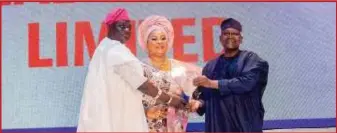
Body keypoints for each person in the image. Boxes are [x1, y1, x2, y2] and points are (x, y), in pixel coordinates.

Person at [76, 8, 186, 132]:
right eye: (122, 26)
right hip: (118, 121)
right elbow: (143, 85)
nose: (127, 30)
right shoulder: (116, 51)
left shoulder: (104, 47)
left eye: (129, 27)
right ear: (110, 27)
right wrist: (170, 100)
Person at [191, 18, 269, 132]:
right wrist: (197, 103)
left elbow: (245, 83)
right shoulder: (210, 67)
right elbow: (205, 98)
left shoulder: (251, 60)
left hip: (245, 126)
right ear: (220, 38)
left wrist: (211, 83)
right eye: (226, 33)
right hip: (217, 127)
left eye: (235, 34)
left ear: (241, 39)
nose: (230, 36)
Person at [137, 15, 202, 132]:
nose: (159, 42)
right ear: (146, 42)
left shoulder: (182, 69)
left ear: (169, 41)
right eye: (154, 38)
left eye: (163, 38)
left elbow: (194, 97)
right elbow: (126, 104)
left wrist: (193, 102)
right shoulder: (138, 70)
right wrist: (147, 112)